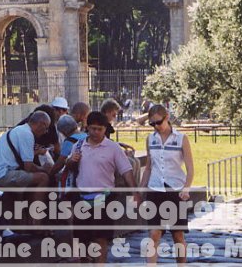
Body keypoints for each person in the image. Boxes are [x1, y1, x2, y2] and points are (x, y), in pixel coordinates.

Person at [67, 111, 137, 263]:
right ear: (87, 127)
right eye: (93, 129)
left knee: (101, 238)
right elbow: (69, 167)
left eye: (100, 129)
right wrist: (72, 161)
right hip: (82, 197)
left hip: (104, 198)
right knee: (81, 239)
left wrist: (134, 192)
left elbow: (126, 170)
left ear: (105, 129)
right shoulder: (78, 146)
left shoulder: (113, 148)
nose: (96, 132)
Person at [140, 104, 194, 265]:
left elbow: (190, 168)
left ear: (167, 117)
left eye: (158, 122)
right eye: (152, 124)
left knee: (177, 235)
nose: (156, 126)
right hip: (155, 189)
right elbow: (148, 167)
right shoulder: (150, 139)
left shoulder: (181, 139)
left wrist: (186, 188)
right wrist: (139, 191)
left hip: (176, 190)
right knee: (154, 234)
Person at [0, 111, 51, 202]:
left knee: (23, 178)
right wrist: (43, 169)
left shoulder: (19, 129)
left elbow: (19, 156)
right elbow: (28, 167)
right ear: (41, 124)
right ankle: (36, 210)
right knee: (43, 178)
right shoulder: (27, 135)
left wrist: (36, 153)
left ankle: (20, 209)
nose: (46, 132)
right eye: (46, 128)